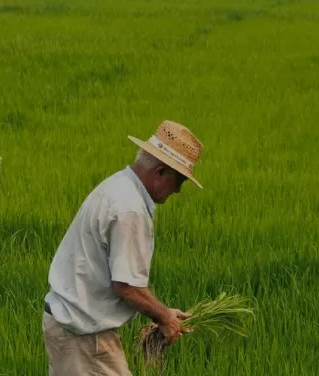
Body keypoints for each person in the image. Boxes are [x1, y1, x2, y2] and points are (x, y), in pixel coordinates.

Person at [42, 120, 204, 375]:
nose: (178, 191)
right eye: (179, 181)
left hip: (72, 329)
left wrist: (162, 313)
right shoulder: (131, 209)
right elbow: (126, 286)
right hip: (84, 339)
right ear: (160, 172)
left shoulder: (119, 185)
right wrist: (164, 317)